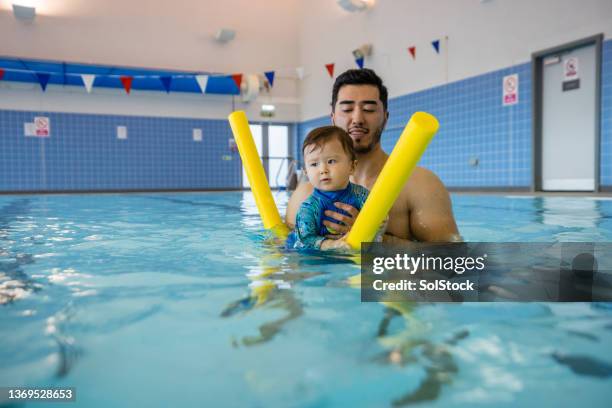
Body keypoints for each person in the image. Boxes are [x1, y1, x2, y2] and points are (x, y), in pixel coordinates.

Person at [286, 69, 460, 243]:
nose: (357, 118)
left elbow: (452, 260)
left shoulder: (420, 184)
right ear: (333, 118)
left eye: (369, 109)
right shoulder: (305, 196)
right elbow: (288, 254)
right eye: (347, 109)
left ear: (385, 117)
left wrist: (376, 239)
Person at [287, 126, 380, 250]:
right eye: (314, 164)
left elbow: (376, 221)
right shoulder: (309, 208)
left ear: (352, 166)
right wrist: (329, 244)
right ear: (306, 172)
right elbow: (303, 240)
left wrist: (380, 224)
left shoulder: (361, 195)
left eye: (331, 161)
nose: (323, 170)